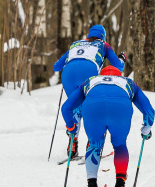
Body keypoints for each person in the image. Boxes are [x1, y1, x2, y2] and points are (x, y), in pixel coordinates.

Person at [60, 65, 155, 187]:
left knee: (94, 145)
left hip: (93, 108)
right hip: (120, 109)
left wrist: (71, 127)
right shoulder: (128, 82)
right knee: (120, 145)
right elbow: (149, 110)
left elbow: (66, 108)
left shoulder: (90, 81)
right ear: (119, 74)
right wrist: (146, 128)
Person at [52, 25, 126, 159]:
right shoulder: (104, 45)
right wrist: (122, 58)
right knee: (92, 108)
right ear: (102, 36)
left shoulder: (75, 44)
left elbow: (56, 67)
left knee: (75, 107)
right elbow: (118, 66)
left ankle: (72, 143)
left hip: (68, 75)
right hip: (88, 72)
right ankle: (92, 145)